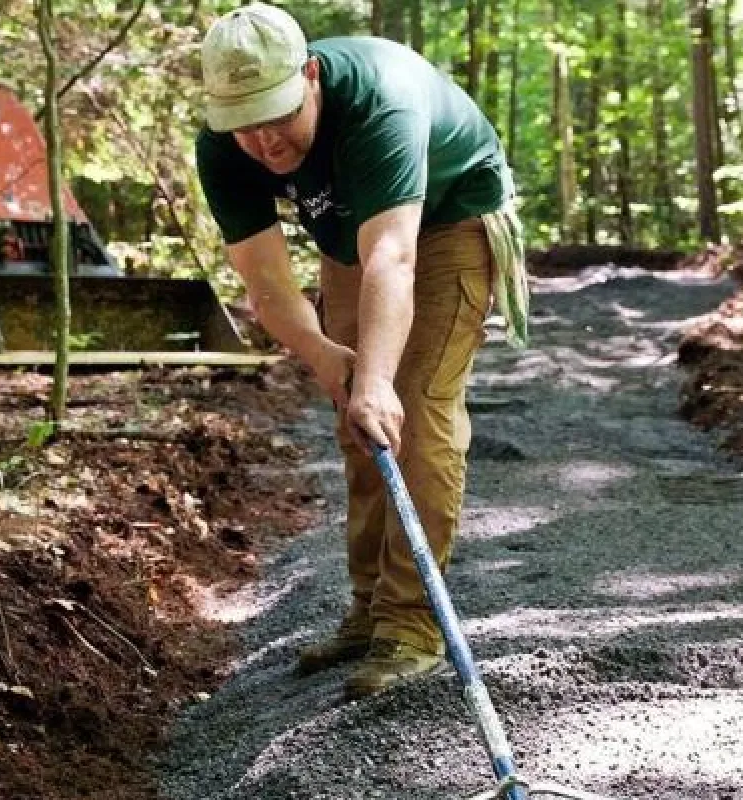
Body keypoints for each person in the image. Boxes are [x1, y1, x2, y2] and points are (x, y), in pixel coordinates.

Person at [193, 3, 530, 699]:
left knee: (412, 408)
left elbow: (395, 257)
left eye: (278, 115)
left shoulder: (381, 101)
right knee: (358, 421)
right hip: (354, 236)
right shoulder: (224, 144)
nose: (264, 140)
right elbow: (265, 282)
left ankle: (412, 626)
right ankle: (370, 608)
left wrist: (377, 379)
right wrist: (322, 354)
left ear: (310, 76)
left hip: (445, 221)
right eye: (244, 124)